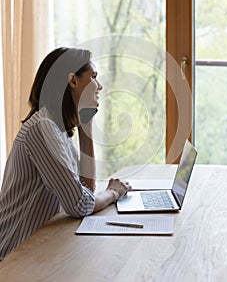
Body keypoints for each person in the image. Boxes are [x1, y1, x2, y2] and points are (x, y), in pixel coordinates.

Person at [0, 47, 132, 260]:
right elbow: (80, 204)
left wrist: (86, 132)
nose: (99, 86)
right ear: (73, 81)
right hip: (12, 253)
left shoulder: (56, 128)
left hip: (38, 245)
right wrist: (114, 193)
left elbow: (85, 190)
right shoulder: (42, 129)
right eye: (94, 77)